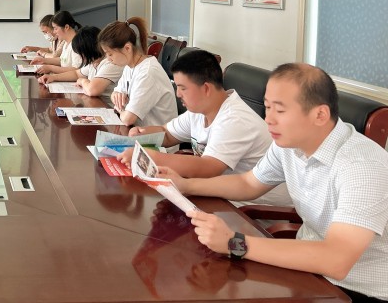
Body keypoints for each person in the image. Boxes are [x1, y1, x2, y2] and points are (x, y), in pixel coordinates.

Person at [162, 63, 388, 303]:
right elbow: (249, 183)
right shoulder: (290, 144)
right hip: (306, 270)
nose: (268, 119)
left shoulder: (362, 167)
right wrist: (185, 186)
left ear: (320, 115)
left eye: (279, 110)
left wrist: (233, 242)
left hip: (356, 289)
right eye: (267, 107)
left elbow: (336, 260)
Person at [116, 49, 290, 206]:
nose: (178, 94)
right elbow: (167, 134)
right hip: (218, 195)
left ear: (206, 88)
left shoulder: (234, 119)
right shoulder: (199, 111)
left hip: (250, 210)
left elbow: (208, 168)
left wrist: (150, 156)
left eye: (183, 88)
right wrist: (142, 135)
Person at [97, 18, 176, 127]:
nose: (108, 59)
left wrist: (120, 109)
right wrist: (116, 96)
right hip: (138, 130)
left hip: (157, 136)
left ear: (127, 48)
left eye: (110, 54)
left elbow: (128, 119)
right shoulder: (129, 66)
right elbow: (115, 94)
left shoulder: (148, 73)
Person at [39, 26, 123, 96]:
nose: (80, 56)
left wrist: (83, 81)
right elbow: (76, 73)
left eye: (80, 53)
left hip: (106, 106)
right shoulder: (93, 62)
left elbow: (93, 90)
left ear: (88, 50)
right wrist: (54, 77)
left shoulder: (111, 63)